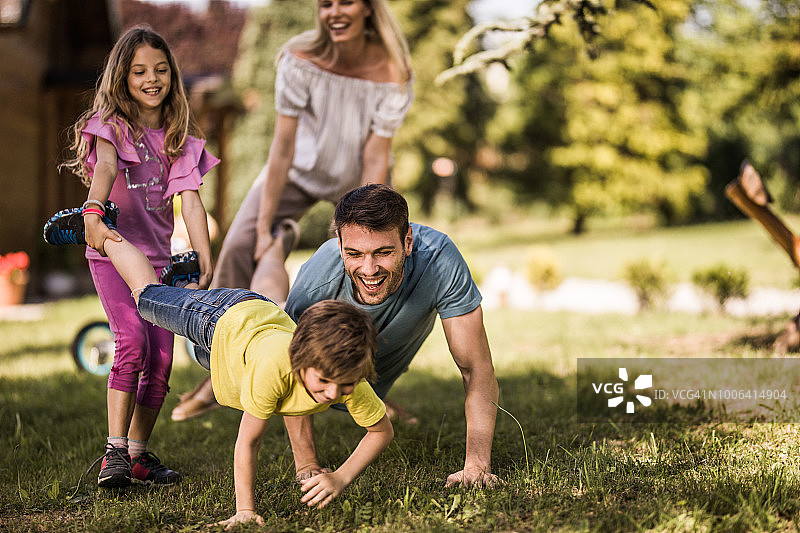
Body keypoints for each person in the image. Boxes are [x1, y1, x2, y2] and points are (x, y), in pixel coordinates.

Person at [171, 0, 414, 421]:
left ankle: (361, 382)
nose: (334, 12)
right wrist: (264, 224)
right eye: (326, 4)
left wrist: (369, 225)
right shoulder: (301, 60)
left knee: (360, 269)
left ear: (369, 9)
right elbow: (283, 145)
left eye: (346, 3)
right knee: (241, 244)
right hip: (296, 171)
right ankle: (217, 368)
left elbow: (376, 156)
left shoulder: (391, 71)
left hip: (354, 178)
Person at [82, 230, 392, 528]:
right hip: (221, 317)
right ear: (300, 360)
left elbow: (380, 431)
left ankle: (184, 282)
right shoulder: (275, 367)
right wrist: (245, 510)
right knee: (147, 300)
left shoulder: (345, 372)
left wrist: (340, 477)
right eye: (324, 381)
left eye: (345, 386)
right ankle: (106, 232)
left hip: (232, 350)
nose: (333, 393)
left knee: (198, 350)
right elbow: (248, 441)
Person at [46, 25, 219, 488]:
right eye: (139, 70)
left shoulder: (179, 134)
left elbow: (193, 202)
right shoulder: (112, 125)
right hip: (112, 252)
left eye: (161, 70)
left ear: (172, 76)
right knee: (132, 344)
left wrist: (203, 257)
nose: (151, 78)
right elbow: (104, 168)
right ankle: (114, 453)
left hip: (160, 263)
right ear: (122, 77)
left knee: (162, 361)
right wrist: (92, 213)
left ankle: (138, 455)